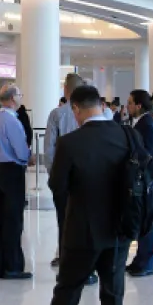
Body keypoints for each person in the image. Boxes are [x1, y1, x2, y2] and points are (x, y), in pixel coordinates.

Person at [41, 85, 128, 305]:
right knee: (112, 295)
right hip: (118, 232)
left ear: (76, 109)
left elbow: (57, 186)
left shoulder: (70, 143)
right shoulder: (128, 136)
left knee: (67, 291)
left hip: (80, 230)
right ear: (101, 105)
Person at [0, 84, 30, 280]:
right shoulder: (12, 121)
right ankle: (12, 265)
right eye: (19, 94)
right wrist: (29, 157)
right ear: (12, 98)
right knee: (12, 220)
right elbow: (20, 149)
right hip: (12, 171)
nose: (21, 97)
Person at [46, 73, 84, 269]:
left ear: (65, 90)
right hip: (84, 179)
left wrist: (54, 175)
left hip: (63, 177)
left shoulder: (57, 114)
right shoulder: (91, 114)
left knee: (63, 218)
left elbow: (49, 150)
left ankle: (64, 255)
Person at [124, 89, 153, 278]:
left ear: (139, 105)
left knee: (148, 219)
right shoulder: (138, 123)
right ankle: (140, 260)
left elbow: (144, 153)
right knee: (141, 217)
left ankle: (146, 263)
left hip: (147, 179)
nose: (127, 106)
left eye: (130, 103)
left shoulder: (147, 125)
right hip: (140, 179)